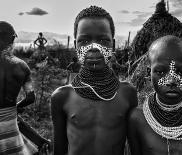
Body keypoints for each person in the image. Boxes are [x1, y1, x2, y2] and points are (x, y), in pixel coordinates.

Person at [51, 6, 138, 155]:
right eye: (84, 41)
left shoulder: (127, 93)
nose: (94, 47)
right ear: (75, 46)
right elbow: (59, 150)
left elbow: (134, 146)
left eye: (103, 40)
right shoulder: (62, 97)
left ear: (113, 45)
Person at [0, 21, 50, 155]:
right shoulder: (22, 66)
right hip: (10, 120)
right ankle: (43, 143)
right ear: (12, 39)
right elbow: (30, 97)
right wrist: (15, 107)